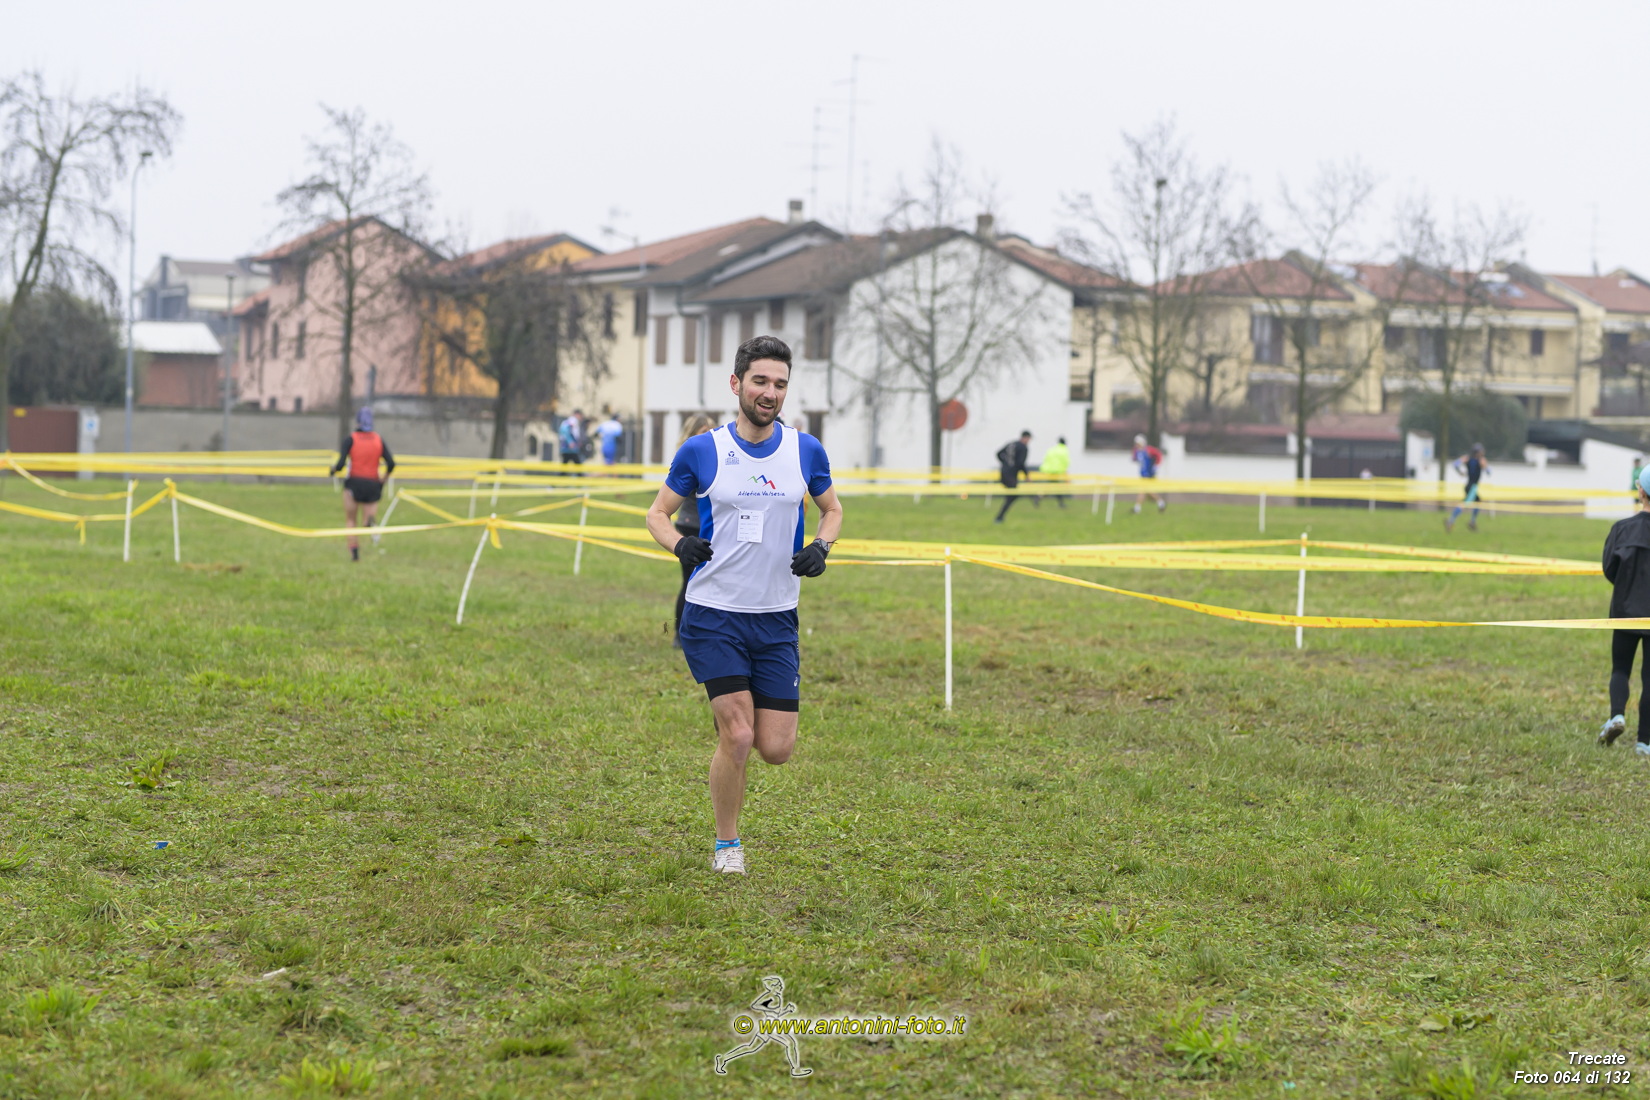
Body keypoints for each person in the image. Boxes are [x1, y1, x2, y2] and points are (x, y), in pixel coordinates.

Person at [645, 335, 843, 875]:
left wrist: (821, 547)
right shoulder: (702, 450)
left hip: (776, 616)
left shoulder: (805, 450)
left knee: (775, 748)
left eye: (780, 384)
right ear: (736, 384)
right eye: (760, 381)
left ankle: (732, 719)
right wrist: (679, 545)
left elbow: (832, 510)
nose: (769, 392)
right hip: (713, 613)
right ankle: (726, 845)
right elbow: (657, 514)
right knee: (738, 736)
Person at [1599, 471, 1650, 755]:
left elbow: (1610, 569)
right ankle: (1644, 742)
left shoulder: (1622, 528)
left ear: (1640, 491)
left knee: (1621, 668)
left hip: (1625, 610)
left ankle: (1617, 715)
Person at [671, 413, 717, 647]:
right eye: (703, 433)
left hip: (711, 527)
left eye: (711, 432)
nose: (708, 437)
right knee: (690, 582)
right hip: (690, 525)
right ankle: (680, 634)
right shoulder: (689, 458)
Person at [328, 407, 395, 562]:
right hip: (373, 484)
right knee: (367, 519)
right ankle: (369, 522)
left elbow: (340, 465)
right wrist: (384, 479)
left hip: (354, 483)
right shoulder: (378, 440)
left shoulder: (351, 439)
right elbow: (391, 463)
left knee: (351, 520)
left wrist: (332, 471)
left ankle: (354, 551)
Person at [1445, 443, 1489, 532]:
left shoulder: (1467, 458)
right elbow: (1488, 471)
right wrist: (1485, 466)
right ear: (1478, 452)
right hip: (1472, 487)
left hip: (1469, 485)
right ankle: (1451, 521)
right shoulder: (1480, 460)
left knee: (1477, 502)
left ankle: (1471, 521)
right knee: (1465, 504)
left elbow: (1455, 464)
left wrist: (1460, 472)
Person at [993, 431, 1032, 523]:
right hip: (1011, 475)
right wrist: (1026, 475)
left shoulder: (1011, 444)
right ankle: (999, 517)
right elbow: (1020, 463)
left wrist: (1005, 463)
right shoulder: (1023, 447)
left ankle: (1000, 517)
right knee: (1013, 495)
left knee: (1012, 495)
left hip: (1003, 472)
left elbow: (998, 454)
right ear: (1026, 438)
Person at [1131, 434, 1165, 514]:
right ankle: (1160, 503)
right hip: (1143, 475)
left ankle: (1137, 508)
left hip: (1149, 474)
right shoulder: (1137, 451)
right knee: (1147, 492)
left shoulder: (1149, 450)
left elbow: (1158, 455)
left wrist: (1156, 465)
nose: (1137, 445)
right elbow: (1134, 458)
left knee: (1143, 490)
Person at [1037, 435, 1071, 509]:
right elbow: (1066, 461)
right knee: (1056, 488)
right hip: (1057, 471)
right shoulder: (1064, 450)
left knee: (1053, 487)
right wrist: (1065, 471)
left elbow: (1046, 459)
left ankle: (1039, 497)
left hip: (1049, 471)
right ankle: (1039, 497)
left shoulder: (1052, 449)